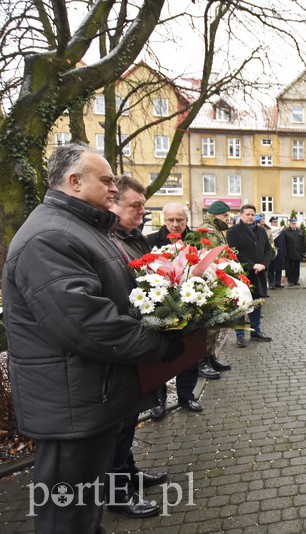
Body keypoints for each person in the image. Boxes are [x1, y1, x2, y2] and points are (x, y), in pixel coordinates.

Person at [2, 144, 182, 533]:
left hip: (88, 396)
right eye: (105, 180)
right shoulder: (49, 237)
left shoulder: (81, 229)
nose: (114, 188)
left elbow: (118, 297)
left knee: (83, 512)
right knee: (65, 517)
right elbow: (88, 324)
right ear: (74, 181)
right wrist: (160, 346)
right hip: (71, 404)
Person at [107, 175, 167, 518]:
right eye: (136, 206)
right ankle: (117, 493)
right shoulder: (108, 240)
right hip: (121, 344)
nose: (143, 213)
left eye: (144, 206)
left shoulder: (135, 239)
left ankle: (129, 474)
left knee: (128, 420)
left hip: (136, 343)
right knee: (116, 426)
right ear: (114, 204)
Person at [146, 202, 203, 418]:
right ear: (164, 219)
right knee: (160, 356)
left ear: (187, 221)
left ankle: (186, 396)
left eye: (179, 220)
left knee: (190, 354)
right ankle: (158, 400)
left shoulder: (195, 241)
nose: (175, 224)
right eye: (170, 220)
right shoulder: (151, 240)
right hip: (161, 307)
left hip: (191, 305)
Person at [227, 204, 273, 347]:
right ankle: (240, 335)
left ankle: (255, 331)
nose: (250, 217)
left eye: (252, 214)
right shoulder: (233, 232)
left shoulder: (261, 231)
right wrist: (252, 265)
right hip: (243, 274)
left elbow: (268, 249)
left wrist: (264, 265)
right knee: (241, 304)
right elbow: (234, 252)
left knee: (256, 303)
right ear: (241, 215)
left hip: (259, 273)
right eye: (247, 214)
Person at [198, 200, 234, 378]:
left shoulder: (217, 229)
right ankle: (202, 361)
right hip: (210, 280)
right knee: (210, 323)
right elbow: (214, 256)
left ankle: (210, 356)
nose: (228, 218)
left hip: (217, 279)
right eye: (225, 215)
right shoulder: (209, 230)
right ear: (215, 215)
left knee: (216, 322)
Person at [283, 217, 306, 286]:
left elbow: (303, 242)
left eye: (295, 223)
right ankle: (290, 280)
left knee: (296, 267)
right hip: (289, 253)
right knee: (289, 267)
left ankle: (296, 280)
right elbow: (284, 243)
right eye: (292, 223)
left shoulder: (300, 231)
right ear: (289, 224)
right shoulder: (286, 232)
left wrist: (303, 252)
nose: (294, 225)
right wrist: (285, 252)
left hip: (298, 253)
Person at [268, 216, 286, 289]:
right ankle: (271, 283)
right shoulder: (269, 230)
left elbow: (283, 241)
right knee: (271, 268)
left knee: (279, 268)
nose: (275, 223)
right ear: (271, 223)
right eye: (274, 222)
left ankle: (278, 282)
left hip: (280, 251)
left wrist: (284, 251)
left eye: (276, 222)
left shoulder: (280, 230)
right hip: (271, 252)